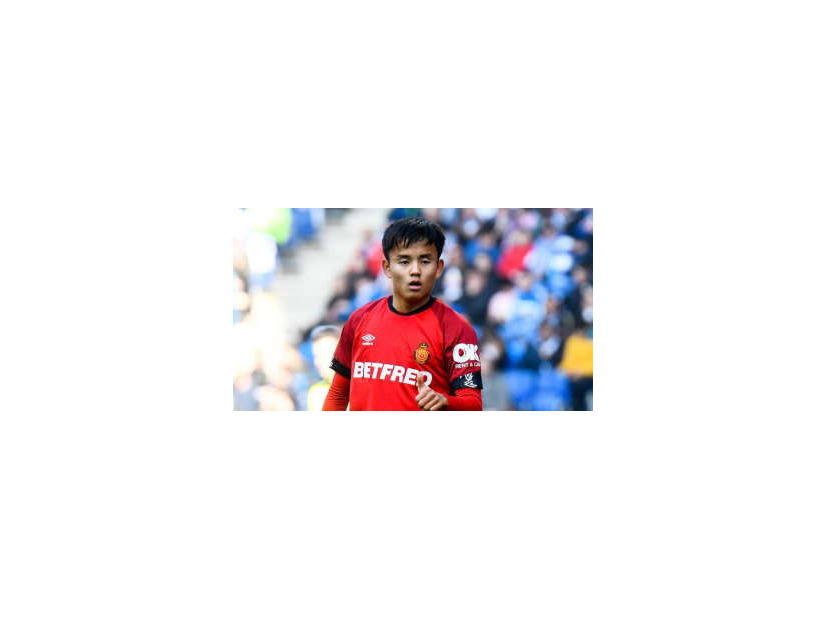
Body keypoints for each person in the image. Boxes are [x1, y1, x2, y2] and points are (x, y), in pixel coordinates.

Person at [322, 217, 483, 411]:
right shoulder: (359, 320)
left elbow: (473, 404)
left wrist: (446, 402)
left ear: (439, 268)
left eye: (425, 261)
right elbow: (338, 394)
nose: (415, 271)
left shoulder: (457, 329)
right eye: (404, 261)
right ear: (387, 268)